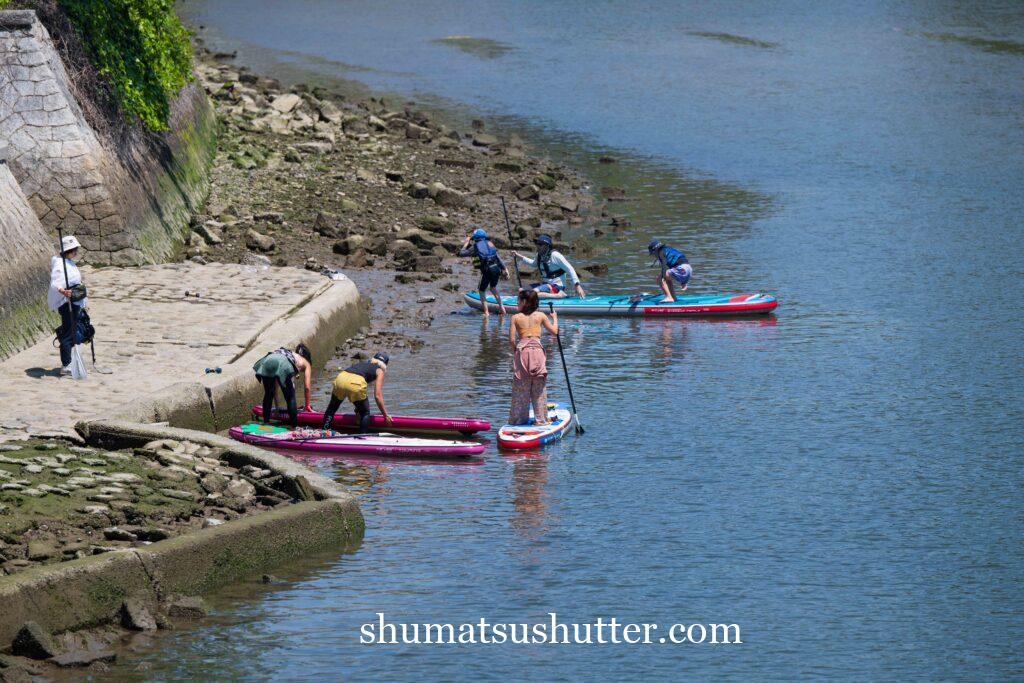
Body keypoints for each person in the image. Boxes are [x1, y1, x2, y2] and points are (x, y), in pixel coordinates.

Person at [508, 289, 558, 426]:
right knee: (538, 388)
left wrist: (516, 353)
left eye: (518, 301)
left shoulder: (515, 318)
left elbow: (512, 340)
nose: (517, 303)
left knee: (520, 389)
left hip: (522, 351)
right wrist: (555, 318)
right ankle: (541, 420)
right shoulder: (541, 316)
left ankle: (518, 420)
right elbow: (554, 331)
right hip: (537, 352)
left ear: (524, 302)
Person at [322, 352, 392, 432]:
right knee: (365, 413)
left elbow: (354, 384)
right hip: (355, 383)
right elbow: (377, 395)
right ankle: (361, 437)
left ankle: (324, 431)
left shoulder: (363, 364)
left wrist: (357, 410)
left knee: (332, 408)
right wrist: (385, 415)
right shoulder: (380, 371)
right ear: (385, 364)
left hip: (341, 378)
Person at [49, 235, 88, 376]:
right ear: (67, 251)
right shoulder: (60, 264)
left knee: (72, 330)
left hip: (75, 300)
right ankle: (66, 364)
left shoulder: (69, 262)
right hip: (67, 303)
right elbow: (55, 282)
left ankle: (69, 360)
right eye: (73, 250)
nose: (76, 253)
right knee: (67, 333)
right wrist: (62, 291)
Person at [253, 344, 313, 428]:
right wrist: (307, 406)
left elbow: (275, 388)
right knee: (290, 397)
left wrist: (277, 407)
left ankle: (266, 423)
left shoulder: (290, 353)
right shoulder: (307, 363)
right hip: (283, 363)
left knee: (268, 394)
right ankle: (294, 427)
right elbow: (307, 387)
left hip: (268, 360)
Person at [512, 234, 586, 299]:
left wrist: (577, 285)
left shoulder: (556, 256)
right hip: (546, 285)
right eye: (537, 244)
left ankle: (559, 296)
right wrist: (518, 256)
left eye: (541, 244)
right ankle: (544, 295)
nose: (538, 246)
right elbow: (533, 264)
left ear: (547, 246)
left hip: (557, 286)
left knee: (533, 294)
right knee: (521, 291)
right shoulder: (539, 255)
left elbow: (570, 269)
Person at [459, 228, 510, 317]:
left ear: (475, 238)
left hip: (487, 270)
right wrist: (505, 269)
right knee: (493, 288)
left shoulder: (475, 247)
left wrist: (466, 243)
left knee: (481, 290)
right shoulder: (490, 244)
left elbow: (461, 253)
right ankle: (502, 309)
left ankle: (486, 312)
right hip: (497, 269)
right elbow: (497, 258)